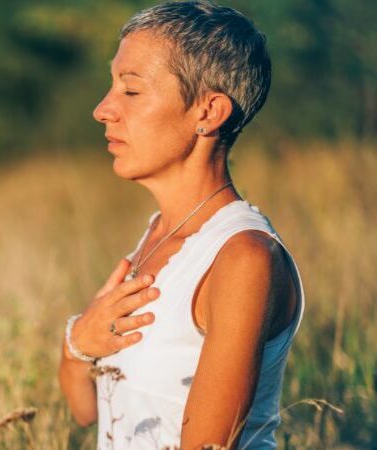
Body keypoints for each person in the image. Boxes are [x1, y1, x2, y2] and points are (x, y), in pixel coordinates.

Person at [57, 2, 305, 449]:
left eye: (131, 91)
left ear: (208, 112)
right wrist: (77, 344)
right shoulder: (158, 235)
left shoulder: (243, 258)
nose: (102, 109)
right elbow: (88, 412)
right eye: (111, 86)